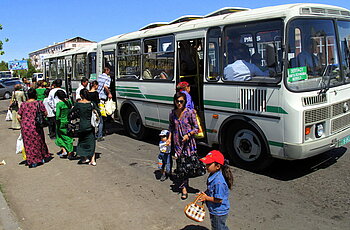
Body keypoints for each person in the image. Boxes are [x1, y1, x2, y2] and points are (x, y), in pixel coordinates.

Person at [167, 92, 199, 200]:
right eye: (177, 101)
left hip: (188, 144)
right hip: (178, 144)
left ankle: (186, 184)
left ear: (185, 102)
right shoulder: (172, 114)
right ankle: (184, 188)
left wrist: (188, 134)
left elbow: (196, 128)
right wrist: (169, 139)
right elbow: (171, 127)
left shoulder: (190, 113)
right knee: (181, 166)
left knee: (188, 166)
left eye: (181, 101)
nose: (179, 103)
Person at [197, 150, 233, 230]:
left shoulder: (219, 182)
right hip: (215, 209)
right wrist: (205, 194)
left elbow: (219, 199)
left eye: (209, 164)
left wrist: (206, 198)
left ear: (217, 166)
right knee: (220, 226)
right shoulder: (213, 175)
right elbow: (211, 190)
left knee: (218, 227)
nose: (206, 166)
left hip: (218, 212)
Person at [17, 88, 50, 168]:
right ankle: (40, 158)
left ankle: (32, 161)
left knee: (28, 144)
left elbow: (18, 116)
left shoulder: (23, 105)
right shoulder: (39, 103)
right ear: (35, 95)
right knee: (38, 141)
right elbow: (45, 113)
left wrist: (23, 122)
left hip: (25, 126)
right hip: (36, 125)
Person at [70, 89, 100, 165]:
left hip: (82, 125)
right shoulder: (91, 104)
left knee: (82, 141)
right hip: (90, 125)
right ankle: (93, 160)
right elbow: (98, 112)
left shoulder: (78, 104)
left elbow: (71, 112)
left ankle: (85, 158)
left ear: (81, 95)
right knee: (91, 142)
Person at [55, 90, 74, 158]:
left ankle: (67, 150)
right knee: (67, 135)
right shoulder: (69, 102)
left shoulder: (59, 104)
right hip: (67, 121)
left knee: (60, 137)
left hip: (60, 122)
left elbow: (57, 115)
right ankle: (65, 150)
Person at [96, 67, 112, 141]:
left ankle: (101, 131)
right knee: (102, 118)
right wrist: (109, 93)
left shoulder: (99, 76)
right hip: (102, 99)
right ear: (107, 71)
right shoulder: (107, 78)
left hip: (97, 98)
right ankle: (100, 135)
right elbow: (106, 87)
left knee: (100, 115)